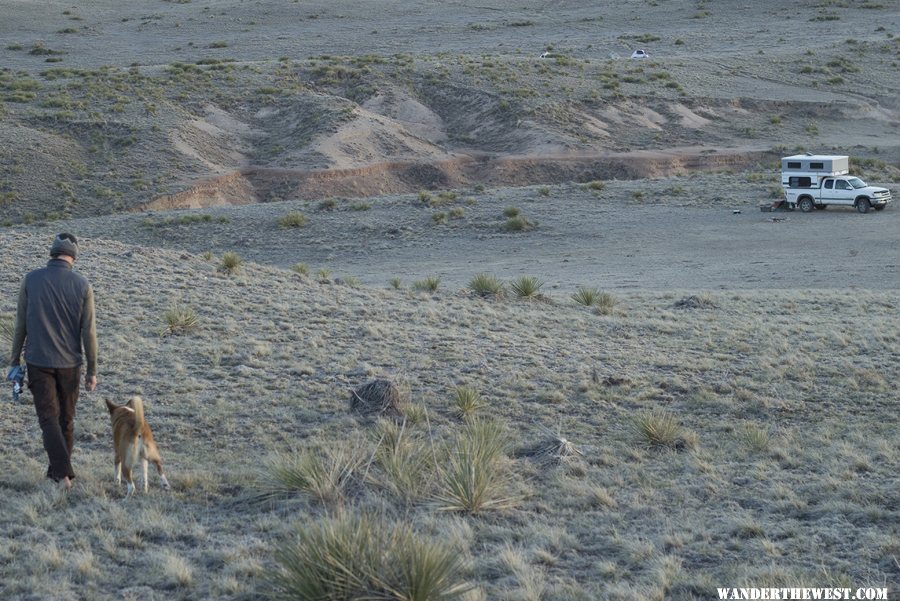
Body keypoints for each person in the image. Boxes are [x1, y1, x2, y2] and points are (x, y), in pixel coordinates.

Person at [8, 233, 98, 490]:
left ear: (52, 253)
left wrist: (14, 360)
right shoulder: (83, 285)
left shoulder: (30, 280)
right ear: (74, 257)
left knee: (48, 418)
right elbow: (88, 332)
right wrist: (92, 370)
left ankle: (57, 473)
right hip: (70, 364)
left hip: (38, 361)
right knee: (66, 420)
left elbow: (20, 326)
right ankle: (63, 474)